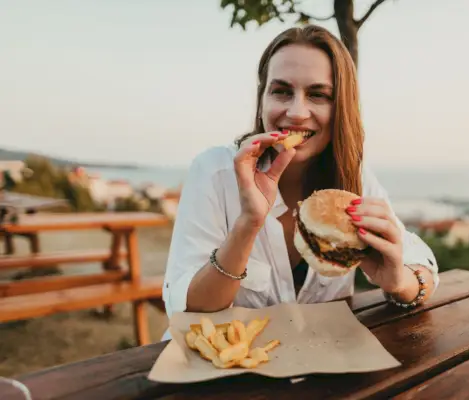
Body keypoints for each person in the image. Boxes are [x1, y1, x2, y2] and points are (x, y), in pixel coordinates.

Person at [161, 25, 439, 340]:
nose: (296, 112)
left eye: (318, 95)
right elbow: (186, 311)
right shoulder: (215, 171)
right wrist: (248, 224)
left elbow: (421, 264)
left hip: (323, 375)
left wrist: (399, 281)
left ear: (340, 108)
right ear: (262, 99)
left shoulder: (352, 178)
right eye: (281, 91)